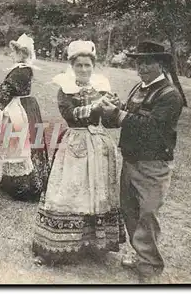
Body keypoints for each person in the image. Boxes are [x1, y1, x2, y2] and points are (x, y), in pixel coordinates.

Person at [32, 40, 126, 265]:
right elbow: (70, 115)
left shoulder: (102, 88)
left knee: (97, 193)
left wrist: (115, 107)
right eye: (79, 65)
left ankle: (93, 244)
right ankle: (58, 245)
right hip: (76, 144)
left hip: (100, 145)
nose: (84, 70)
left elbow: (112, 122)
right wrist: (96, 107)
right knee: (71, 192)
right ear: (71, 66)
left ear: (93, 66)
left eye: (88, 65)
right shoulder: (65, 90)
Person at [99, 40, 183, 282]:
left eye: (148, 62)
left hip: (153, 165)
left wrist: (119, 114)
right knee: (130, 211)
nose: (142, 67)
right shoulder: (139, 87)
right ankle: (140, 256)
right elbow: (124, 119)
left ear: (161, 64)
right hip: (131, 159)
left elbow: (152, 128)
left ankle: (150, 267)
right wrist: (113, 110)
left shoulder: (170, 95)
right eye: (138, 62)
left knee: (148, 213)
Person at [0, 34, 50, 201]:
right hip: (23, 106)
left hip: (20, 109)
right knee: (16, 143)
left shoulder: (21, 71)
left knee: (21, 144)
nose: (11, 54)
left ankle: (25, 185)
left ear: (22, 53)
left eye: (14, 51)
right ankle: (11, 180)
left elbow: (6, 91)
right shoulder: (23, 69)